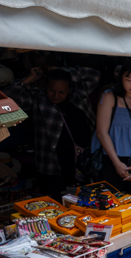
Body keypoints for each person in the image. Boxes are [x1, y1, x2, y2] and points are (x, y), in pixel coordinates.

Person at [5, 66, 99, 197]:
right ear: (46, 87)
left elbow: (94, 75)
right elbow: (6, 100)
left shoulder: (78, 95)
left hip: (83, 164)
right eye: (51, 90)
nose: (56, 95)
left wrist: (64, 71)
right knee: (53, 206)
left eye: (61, 92)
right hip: (51, 166)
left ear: (69, 89)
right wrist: (27, 80)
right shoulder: (38, 100)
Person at [92, 59, 131, 195]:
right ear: (121, 78)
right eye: (129, 79)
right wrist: (116, 162)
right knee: (110, 205)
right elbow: (101, 132)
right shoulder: (109, 96)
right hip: (110, 159)